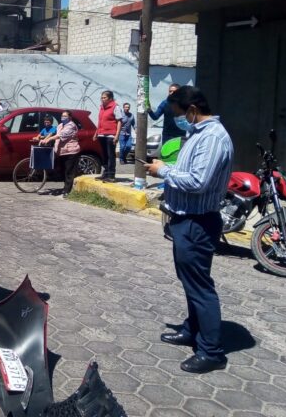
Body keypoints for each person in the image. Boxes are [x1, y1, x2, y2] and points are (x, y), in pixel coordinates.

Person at [144, 86, 233, 374]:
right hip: (186, 221)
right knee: (191, 282)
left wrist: (163, 171)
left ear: (192, 110)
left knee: (200, 287)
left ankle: (211, 351)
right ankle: (191, 330)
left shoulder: (213, 138)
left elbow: (198, 182)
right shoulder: (197, 135)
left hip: (198, 222)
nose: (177, 119)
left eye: (179, 114)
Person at [40, 110, 81, 198]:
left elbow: (60, 135)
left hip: (71, 151)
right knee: (63, 171)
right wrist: (45, 138)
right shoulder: (60, 125)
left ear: (70, 117)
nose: (63, 117)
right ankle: (66, 187)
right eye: (62, 116)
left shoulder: (71, 125)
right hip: (61, 152)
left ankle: (67, 191)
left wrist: (49, 139)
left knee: (69, 172)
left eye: (65, 116)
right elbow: (53, 133)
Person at [93, 90, 122, 183]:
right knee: (104, 155)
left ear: (110, 98)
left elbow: (119, 121)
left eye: (104, 97)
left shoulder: (115, 107)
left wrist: (117, 135)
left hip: (111, 135)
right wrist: (96, 133)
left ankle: (111, 175)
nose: (102, 99)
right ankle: (105, 173)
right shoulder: (102, 107)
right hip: (101, 134)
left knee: (111, 155)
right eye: (102, 97)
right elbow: (100, 121)